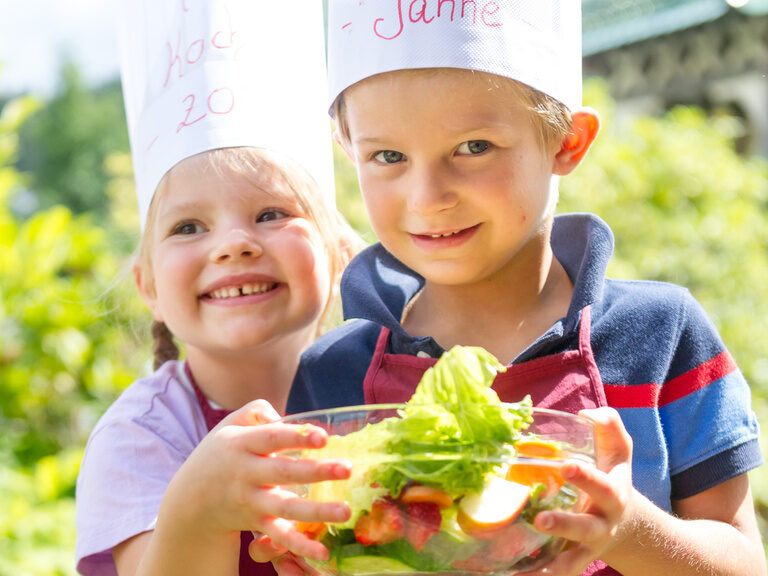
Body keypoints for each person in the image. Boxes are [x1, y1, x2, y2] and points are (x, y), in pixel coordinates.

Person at [280, 1, 766, 575]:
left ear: (568, 141)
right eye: (388, 156)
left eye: (474, 147)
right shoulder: (332, 376)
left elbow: (743, 563)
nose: (427, 196)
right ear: (347, 150)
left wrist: (626, 525)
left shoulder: (661, 334)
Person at [75, 2, 360, 575]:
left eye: (272, 213)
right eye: (188, 227)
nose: (233, 244)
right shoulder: (140, 437)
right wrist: (199, 509)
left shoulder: (392, 384)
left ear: (342, 256)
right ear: (148, 286)